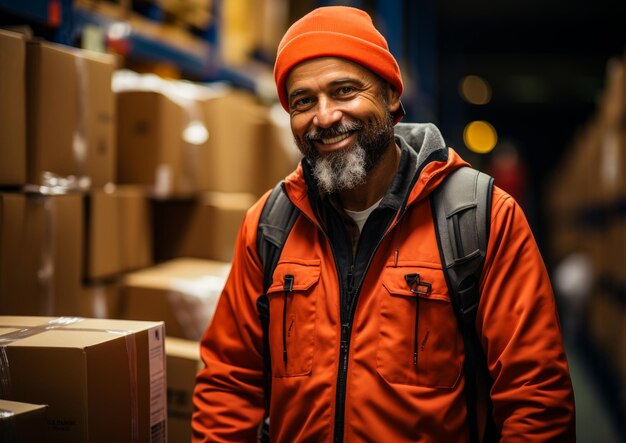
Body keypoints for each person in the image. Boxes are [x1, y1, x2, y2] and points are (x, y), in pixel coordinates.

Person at [192, 6, 576, 442]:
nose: (324, 116)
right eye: (303, 101)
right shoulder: (269, 225)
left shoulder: (479, 217)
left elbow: (536, 399)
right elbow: (228, 384)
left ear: (391, 96)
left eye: (344, 91)